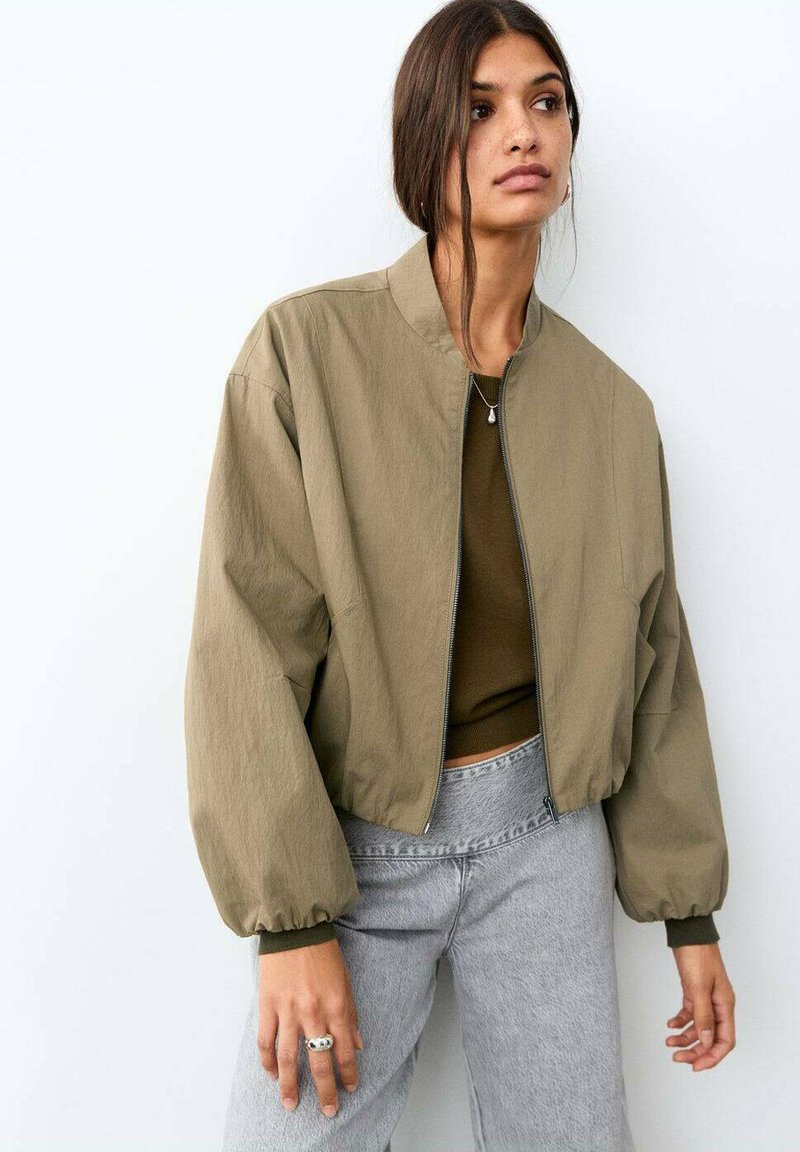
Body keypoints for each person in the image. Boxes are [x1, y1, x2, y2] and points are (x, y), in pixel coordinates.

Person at [184, 1, 736, 1148]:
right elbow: (245, 645)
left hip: (543, 842)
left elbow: (654, 668)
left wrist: (687, 913)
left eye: (546, 102)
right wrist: (290, 924)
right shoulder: (305, 354)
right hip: (357, 851)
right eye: (480, 109)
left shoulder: (610, 410)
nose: (521, 131)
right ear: (423, 141)